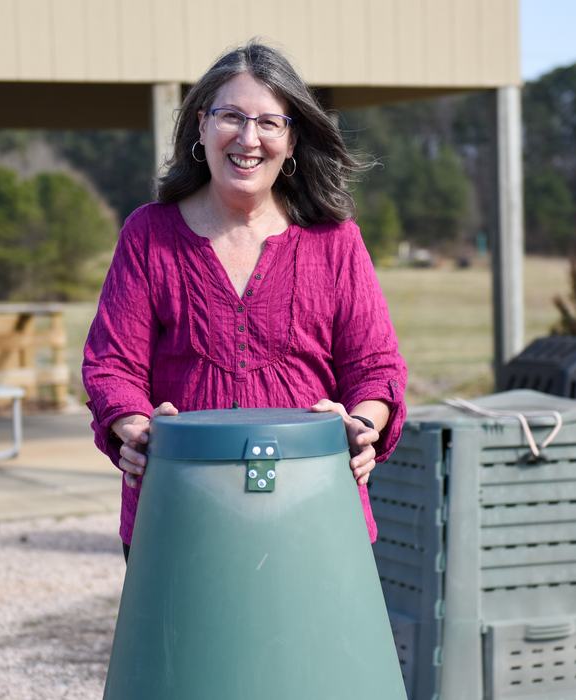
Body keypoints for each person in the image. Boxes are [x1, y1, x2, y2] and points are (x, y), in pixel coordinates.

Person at [82, 42, 407, 558]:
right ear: (201, 126)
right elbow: (111, 365)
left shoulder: (335, 241)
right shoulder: (148, 235)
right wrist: (134, 426)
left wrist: (363, 427)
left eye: (269, 122)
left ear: (292, 139)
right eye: (230, 116)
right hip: (179, 513)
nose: (248, 138)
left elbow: (377, 368)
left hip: (315, 512)